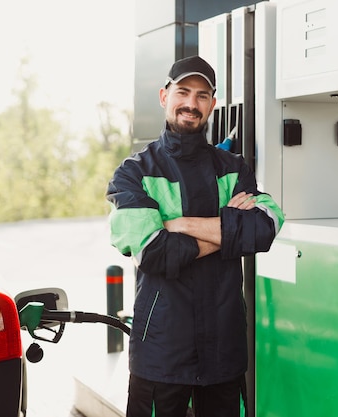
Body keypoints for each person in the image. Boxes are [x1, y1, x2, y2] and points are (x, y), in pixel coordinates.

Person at [106, 55, 285, 417]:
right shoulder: (134, 174)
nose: (191, 103)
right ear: (163, 96)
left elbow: (263, 228)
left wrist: (179, 224)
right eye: (183, 92)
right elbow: (155, 252)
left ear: (213, 104)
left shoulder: (233, 169)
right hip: (161, 353)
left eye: (202, 95)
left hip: (223, 351)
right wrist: (229, 229)